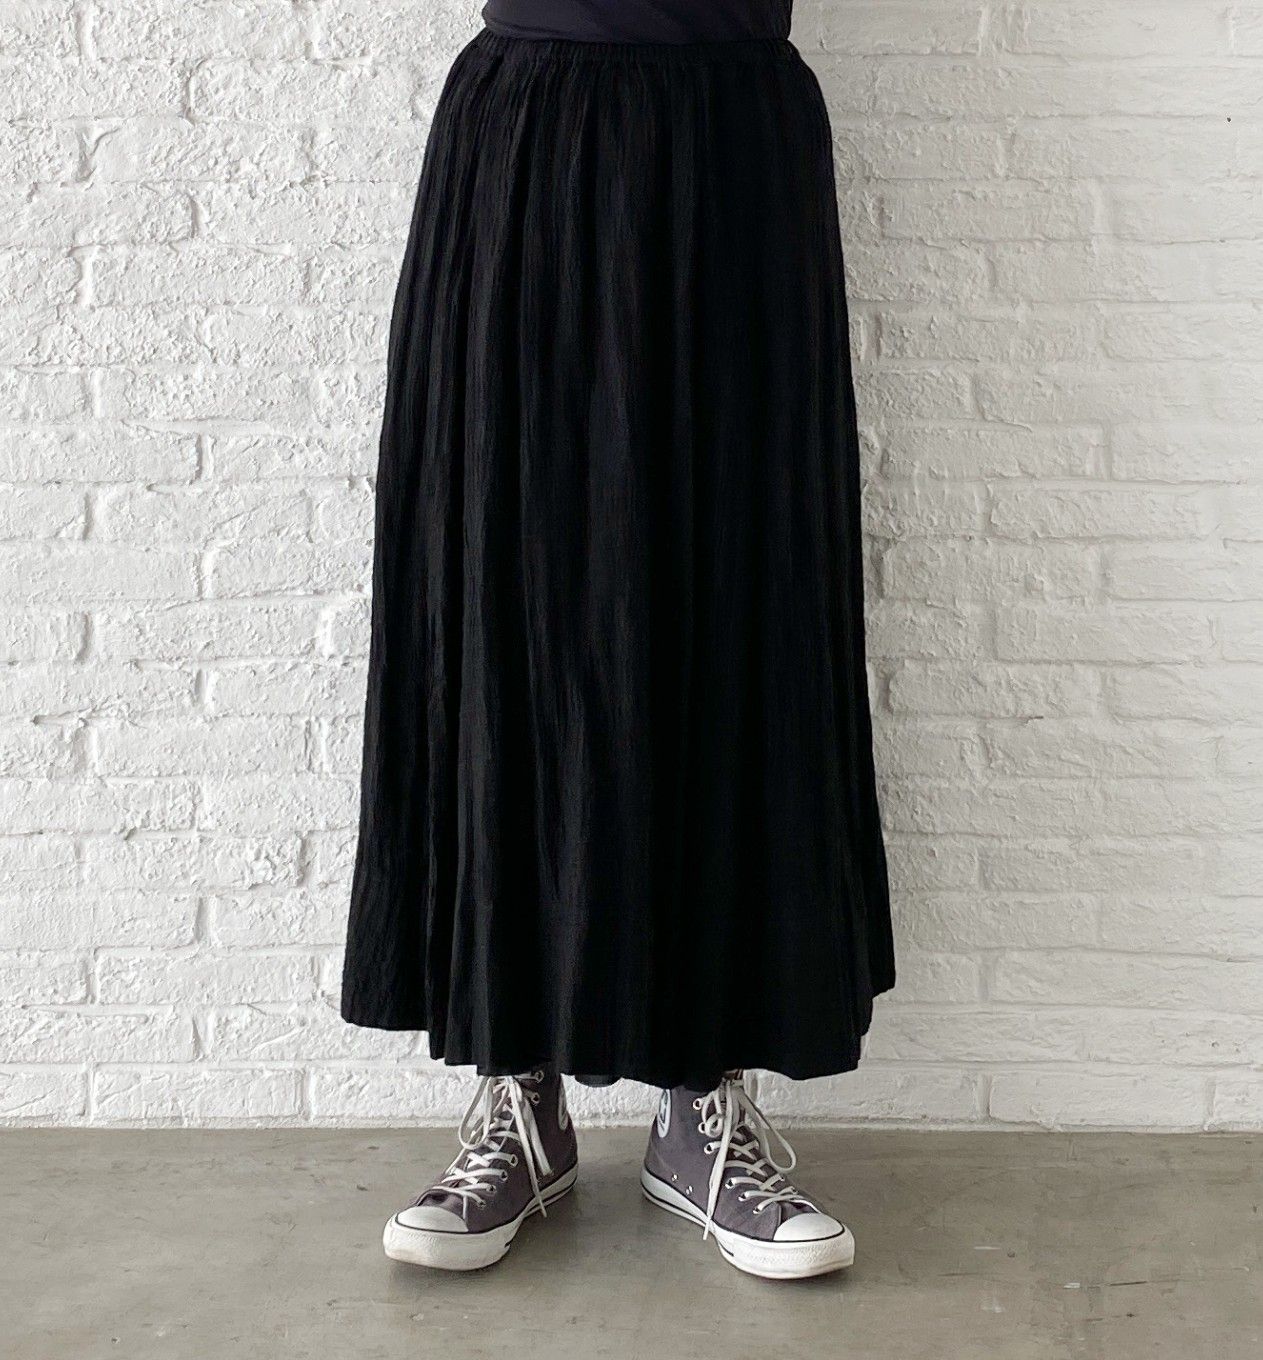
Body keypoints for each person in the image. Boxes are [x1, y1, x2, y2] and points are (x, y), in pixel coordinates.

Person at [341, 0, 894, 1281]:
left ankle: (703, 1107)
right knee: (508, 595)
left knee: (739, 600)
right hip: (533, 128)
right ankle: (519, 1095)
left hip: (735, 132)